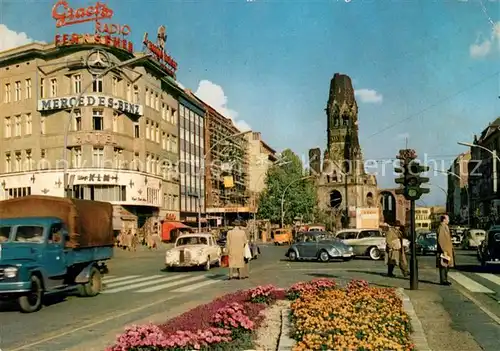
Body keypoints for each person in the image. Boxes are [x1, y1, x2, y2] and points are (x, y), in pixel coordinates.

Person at [437, 214, 454, 285]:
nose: (449, 220)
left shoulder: (445, 227)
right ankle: (443, 280)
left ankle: (445, 279)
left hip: (447, 249)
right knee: (443, 265)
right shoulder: (441, 227)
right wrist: (444, 250)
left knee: (446, 265)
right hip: (444, 250)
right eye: (448, 219)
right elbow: (441, 239)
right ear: (444, 220)